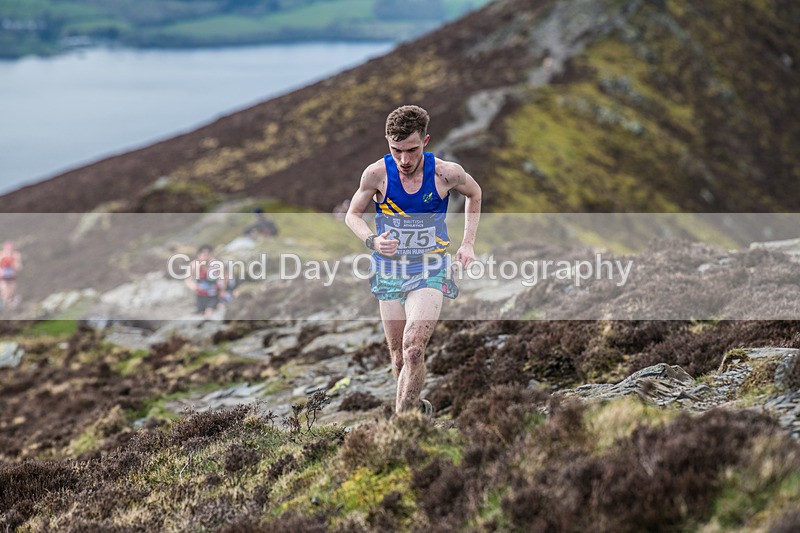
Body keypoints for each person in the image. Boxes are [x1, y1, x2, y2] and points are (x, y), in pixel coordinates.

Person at [345, 105, 482, 416]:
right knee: (397, 357)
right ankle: (417, 408)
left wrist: (468, 244)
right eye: (396, 150)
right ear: (387, 143)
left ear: (426, 141)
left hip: (430, 269)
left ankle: (403, 424)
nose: (404, 160)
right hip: (389, 272)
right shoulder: (376, 174)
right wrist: (373, 240)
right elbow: (353, 215)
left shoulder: (446, 173)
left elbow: (475, 193)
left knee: (413, 348)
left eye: (412, 150)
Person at [184, 244, 225, 318]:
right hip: (201, 294)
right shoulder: (194, 265)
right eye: (203, 254)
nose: (206, 256)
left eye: (208, 254)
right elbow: (188, 280)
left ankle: (211, 311)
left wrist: (222, 291)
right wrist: (193, 286)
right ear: (198, 255)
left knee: (209, 311)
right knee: (200, 311)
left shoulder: (216, 265)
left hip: (213, 294)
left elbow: (223, 279)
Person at [0, 242, 22, 309]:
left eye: (10, 249)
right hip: (3, 277)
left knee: (11, 290)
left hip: (12, 276)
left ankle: (9, 303)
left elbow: (19, 266)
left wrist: (14, 266)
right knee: (4, 290)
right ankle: (5, 303)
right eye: (7, 249)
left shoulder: (16, 255)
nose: (8, 251)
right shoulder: (1, 256)